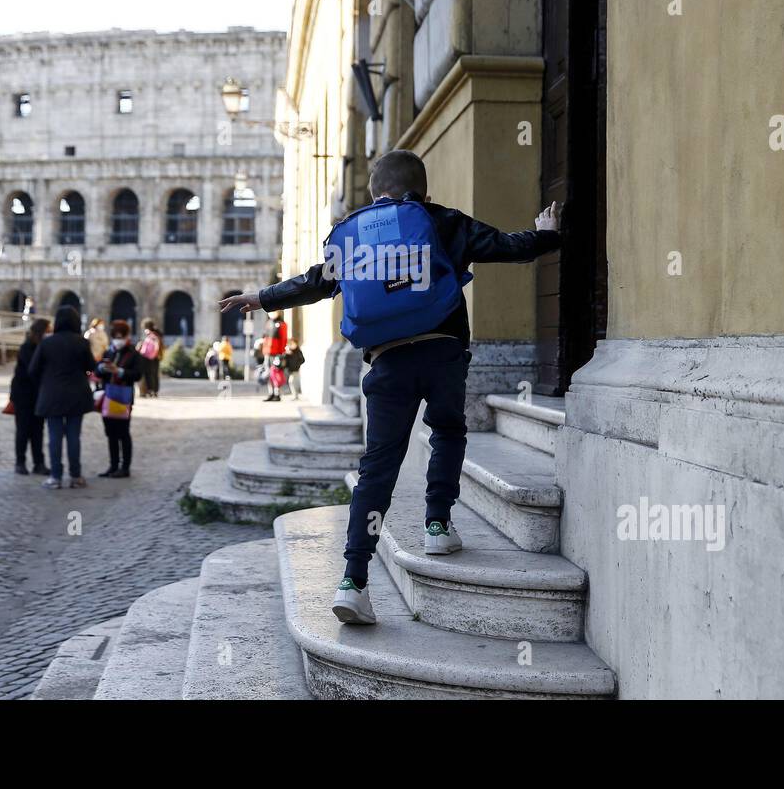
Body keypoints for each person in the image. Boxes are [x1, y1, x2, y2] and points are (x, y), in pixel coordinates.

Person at [218, 149, 562, 625]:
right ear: (423, 190)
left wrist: (261, 297)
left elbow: (316, 282)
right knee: (446, 432)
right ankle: (438, 525)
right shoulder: (439, 220)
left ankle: (353, 581)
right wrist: (545, 235)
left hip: (386, 365)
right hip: (442, 353)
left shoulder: (354, 234)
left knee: (378, 468)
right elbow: (506, 246)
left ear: (375, 193)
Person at [29, 305, 97, 490]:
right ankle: (75, 476)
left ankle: (56, 477)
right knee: (74, 436)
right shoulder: (82, 343)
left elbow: (33, 370)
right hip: (77, 394)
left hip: (52, 394)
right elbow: (91, 367)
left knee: (54, 436)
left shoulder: (47, 343)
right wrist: (85, 372)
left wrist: (47, 380)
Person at [96, 320, 143, 478]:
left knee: (123, 432)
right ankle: (113, 465)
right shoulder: (108, 352)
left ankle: (125, 467)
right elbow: (98, 371)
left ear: (126, 336)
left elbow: (137, 374)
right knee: (110, 432)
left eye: (121, 336)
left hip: (123, 397)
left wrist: (120, 371)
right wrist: (102, 368)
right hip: (108, 396)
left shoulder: (133, 353)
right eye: (115, 336)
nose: (118, 339)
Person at [11, 318, 50, 475]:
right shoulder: (27, 347)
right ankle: (20, 462)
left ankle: (38, 463)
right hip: (24, 395)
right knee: (23, 430)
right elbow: (32, 370)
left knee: (38, 430)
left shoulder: (43, 347)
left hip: (38, 395)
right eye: (48, 331)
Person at [262, 313, 288, 402]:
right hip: (267, 353)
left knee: (276, 374)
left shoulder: (282, 324)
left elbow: (283, 339)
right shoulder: (268, 323)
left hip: (277, 353)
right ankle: (271, 393)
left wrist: (281, 353)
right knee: (269, 374)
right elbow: (265, 337)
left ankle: (277, 394)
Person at [136, 319, 162, 397]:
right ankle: (154, 390)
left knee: (149, 374)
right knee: (154, 374)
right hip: (155, 357)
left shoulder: (151, 335)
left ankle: (150, 390)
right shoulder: (157, 334)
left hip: (148, 357)